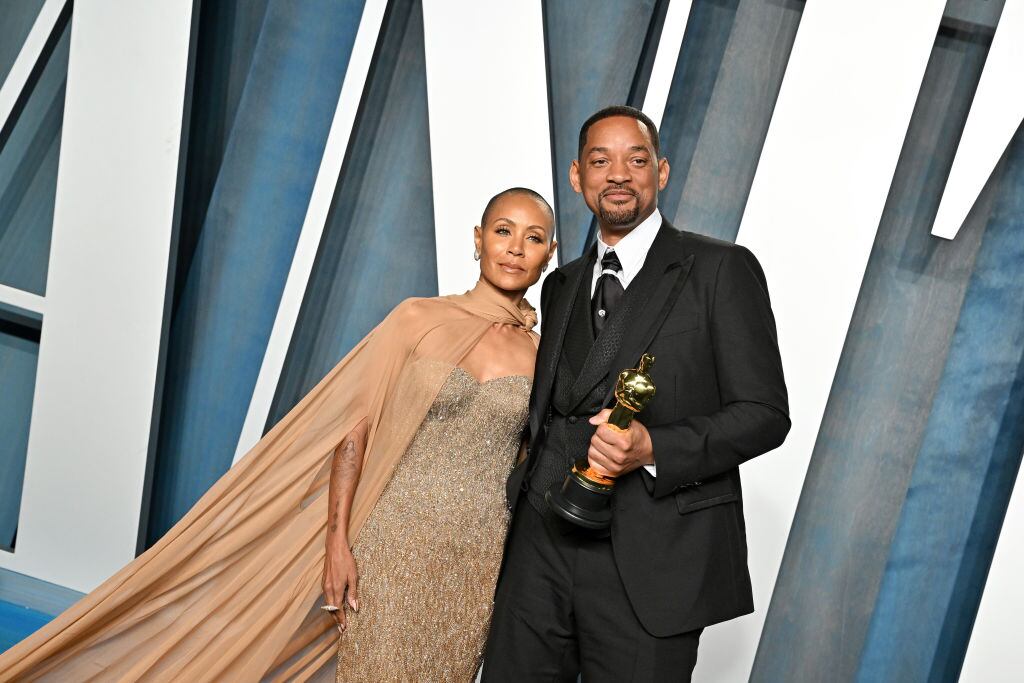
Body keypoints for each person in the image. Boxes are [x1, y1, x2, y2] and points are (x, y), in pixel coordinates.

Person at [0, 188, 556, 682]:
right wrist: (336, 541)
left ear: (548, 255)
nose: (514, 247)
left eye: (532, 238)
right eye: (503, 231)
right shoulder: (417, 319)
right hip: (392, 542)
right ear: (478, 239)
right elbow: (354, 430)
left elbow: (530, 467)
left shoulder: (543, 356)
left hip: (476, 562)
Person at [482, 106, 790, 682]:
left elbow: (766, 415)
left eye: (636, 159)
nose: (618, 174)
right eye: (601, 161)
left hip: (654, 559)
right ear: (578, 178)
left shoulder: (722, 269)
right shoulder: (561, 284)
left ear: (662, 172)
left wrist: (654, 449)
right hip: (541, 547)